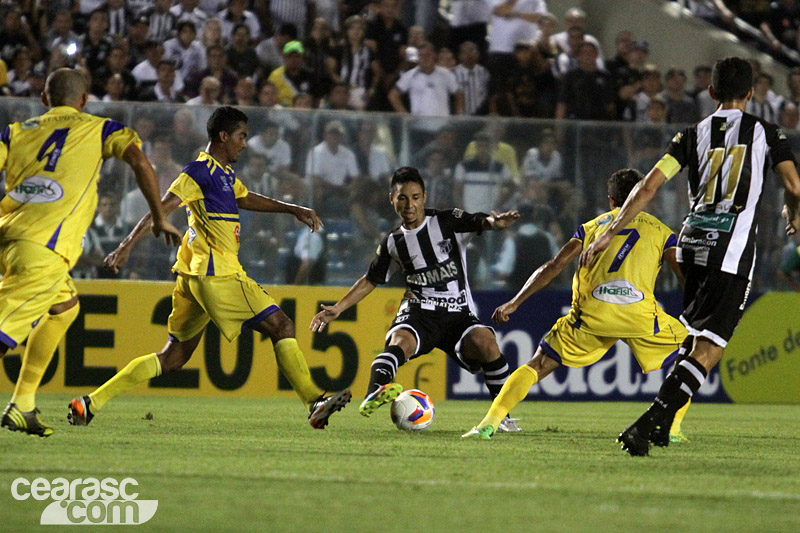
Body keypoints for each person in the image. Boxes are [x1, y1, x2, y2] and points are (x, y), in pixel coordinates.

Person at [68, 106, 352, 430]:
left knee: (172, 358)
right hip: (217, 273)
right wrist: (125, 246)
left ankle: (90, 402)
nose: (245, 144)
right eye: (242, 136)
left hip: (194, 276)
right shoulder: (197, 172)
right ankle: (314, 401)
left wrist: (292, 208)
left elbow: (245, 198)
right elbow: (160, 210)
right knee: (282, 325)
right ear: (224, 136)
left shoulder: (224, 175)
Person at [580, 57, 800, 456]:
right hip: (730, 249)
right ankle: (649, 423)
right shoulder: (766, 132)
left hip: (693, 241)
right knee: (711, 348)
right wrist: (793, 209)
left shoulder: (689, 135)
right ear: (751, 93)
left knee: (697, 334)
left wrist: (608, 232)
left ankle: (661, 426)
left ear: (711, 92)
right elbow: (794, 184)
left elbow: (647, 187)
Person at [0, 68, 182, 437]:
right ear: (83, 101)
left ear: (45, 99)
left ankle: (23, 404)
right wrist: (159, 218)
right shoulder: (101, 129)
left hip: (11, 239)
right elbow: (140, 161)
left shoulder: (16, 132)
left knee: (65, 307)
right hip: (44, 248)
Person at [462, 169, 692, 440]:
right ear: (644, 196)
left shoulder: (591, 227)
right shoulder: (663, 232)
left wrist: (515, 302)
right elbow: (683, 274)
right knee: (691, 356)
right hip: (639, 315)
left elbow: (554, 265)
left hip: (592, 314)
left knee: (539, 364)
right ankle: (672, 429)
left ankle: (489, 423)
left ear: (610, 200)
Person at [310, 167, 523, 431]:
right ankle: (374, 393)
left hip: (457, 313)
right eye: (402, 198)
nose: (409, 204)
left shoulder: (447, 221)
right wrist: (338, 308)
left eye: (414, 197)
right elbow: (371, 279)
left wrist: (495, 223)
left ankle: (501, 414)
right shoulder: (393, 242)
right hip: (419, 311)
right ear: (392, 199)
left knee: (486, 342)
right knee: (401, 342)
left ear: (424, 197)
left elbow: (481, 221)